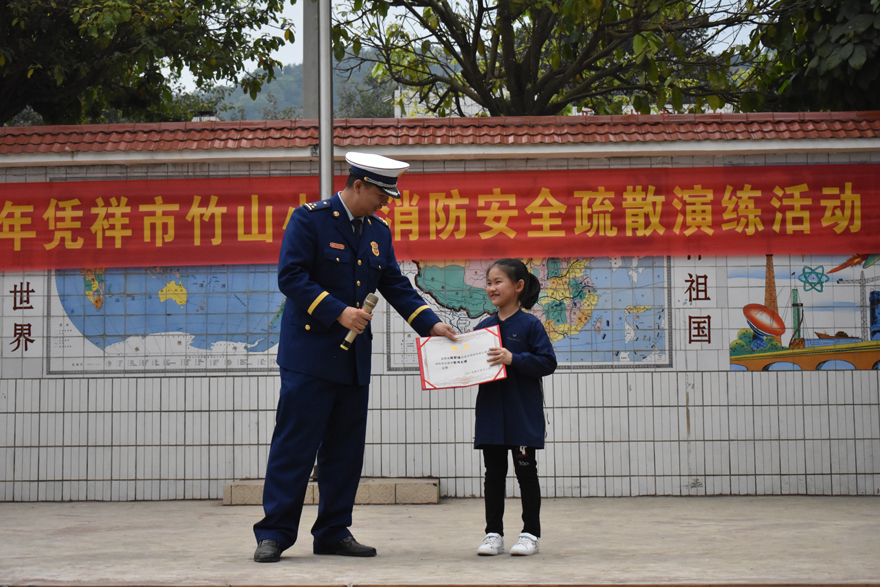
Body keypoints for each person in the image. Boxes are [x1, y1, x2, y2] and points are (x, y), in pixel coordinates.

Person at [253, 152, 457, 562]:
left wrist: (431, 324)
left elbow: (396, 285)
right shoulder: (309, 219)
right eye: (382, 195)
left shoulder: (378, 231)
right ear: (358, 185)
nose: (386, 204)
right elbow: (291, 276)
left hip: (352, 360)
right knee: (295, 446)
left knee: (344, 451)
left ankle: (333, 531)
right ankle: (274, 534)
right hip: (309, 355)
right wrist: (337, 310)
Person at [472, 259, 557, 557]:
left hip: (522, 415)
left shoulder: (530, 325)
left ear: (518, 286)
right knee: (493, 474)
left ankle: (530, 534)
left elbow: (548, 363)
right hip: (492, 415)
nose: (491, 288)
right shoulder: (482, 329)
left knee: (525, 474)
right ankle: (492, 533)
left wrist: (514, 358)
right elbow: (470, 367)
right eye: (489, 282)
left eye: (498, 282)